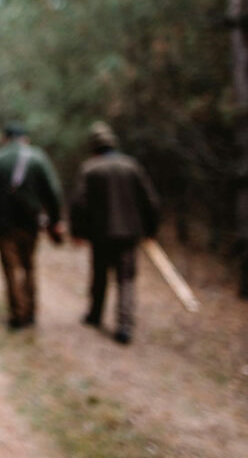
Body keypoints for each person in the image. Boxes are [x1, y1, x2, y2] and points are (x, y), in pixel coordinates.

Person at [70, 121, 160, 345]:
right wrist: (151, 230)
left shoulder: (90, 169)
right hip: (129, 235)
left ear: (93, 146)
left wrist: (78, 232)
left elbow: (79, 203)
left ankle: (95, 315)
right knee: (126, 279)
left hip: (100, 235)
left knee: (99, 276)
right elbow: (151, 201)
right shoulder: (131, 166)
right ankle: (124, 327)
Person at [0, 122, 64, 329]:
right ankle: (30, 312)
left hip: (4, 224)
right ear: (25, 139)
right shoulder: (38, 158)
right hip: (31, 223)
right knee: (29, 266)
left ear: (5, 138)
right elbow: (53, 192)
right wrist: (56, 220)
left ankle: (17, 315)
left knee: (10, 269)